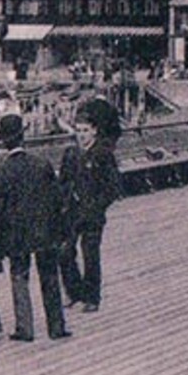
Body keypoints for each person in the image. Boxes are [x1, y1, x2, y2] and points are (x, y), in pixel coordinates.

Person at [0, 113, 70, 341]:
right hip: (44, 230)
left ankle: (25, 328)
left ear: (3, 142)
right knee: (49, 276)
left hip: (16, 235)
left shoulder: (1, 174)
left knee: (19, 278)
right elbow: (57, 200)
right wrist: (60, 230)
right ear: (23, 137)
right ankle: (57, 326)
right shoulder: (41, 165)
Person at [63, 99, 124, 313]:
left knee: (90, 254)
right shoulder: (70, 155)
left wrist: (98, 206)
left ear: (95, 132)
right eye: (78, 131)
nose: (81, 135)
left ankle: (92, 297)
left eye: (85, 131)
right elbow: (64, 183)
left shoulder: (103, 155)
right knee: (65, 251)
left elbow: (113, 187)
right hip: (72, 212)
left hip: (92, 214)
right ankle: (74, 291)